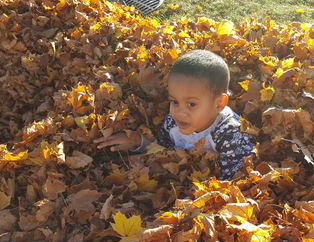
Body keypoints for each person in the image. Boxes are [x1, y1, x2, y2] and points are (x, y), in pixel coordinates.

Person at [94, 50, 256, 180]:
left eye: (191, 104)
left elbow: (234, 180)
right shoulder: (173, 122)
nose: (179, 111)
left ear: (219, 104)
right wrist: (138, 142)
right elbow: (165, 150)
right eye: (174, 101)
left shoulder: (231, 135)